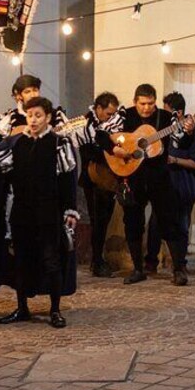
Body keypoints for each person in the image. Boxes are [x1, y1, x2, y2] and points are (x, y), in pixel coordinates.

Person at [0, 97, 80, 328]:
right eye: (30, 115)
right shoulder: (17, 144)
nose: (33, 120)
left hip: (49, 213)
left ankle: (55, 310)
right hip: (22, 213)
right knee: (21, 262)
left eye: (38, 115)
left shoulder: (58, 144)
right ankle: (22, 308)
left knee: (51, 261)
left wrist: (70, 210)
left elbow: (67, 180)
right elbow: (2, 174)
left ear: (48, 117)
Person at [96, 84, 195, 287]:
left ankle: (178, 269)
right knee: (133, 223)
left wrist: (189, 132)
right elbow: (100, 134)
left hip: (159, 178)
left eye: (150, 103)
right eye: (142, 103)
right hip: (132, 177)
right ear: (135, 101)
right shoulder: (124, 115)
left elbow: (182, 143)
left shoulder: (166, 118)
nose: (147, 108)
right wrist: (115, 149)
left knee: (170, 222)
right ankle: (138, 269)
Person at [145, 92, 195, 273]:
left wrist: (174, 160)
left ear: (178, 113)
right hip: (162, 188)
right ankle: (151, 262)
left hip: (182, 189)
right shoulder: (164, 131)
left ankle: (179, 265)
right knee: (155, 225)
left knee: (180, 227)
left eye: (167, 112)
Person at [0, 74, 68, 168]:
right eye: (27, 92)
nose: (33, 95)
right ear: (19, 96)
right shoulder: (9, 121)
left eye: (35, 90)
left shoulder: (55, 116)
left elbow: (67, 151)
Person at [79, 92, 120, 277]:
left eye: (113, 114)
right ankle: (96, 261)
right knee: (97, 220)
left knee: (105, 220)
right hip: (93, 179)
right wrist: (111, 152)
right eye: (108, 114)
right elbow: (87, 152)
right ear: (98, 108)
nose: (111, 117)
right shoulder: (85, 125)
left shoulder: (112, 124)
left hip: (109, 178)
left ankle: (98, 258)